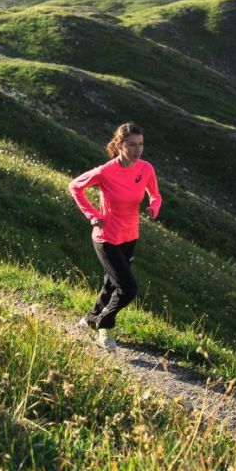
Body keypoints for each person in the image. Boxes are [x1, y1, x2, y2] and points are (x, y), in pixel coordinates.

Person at [68, 122, 161, 350]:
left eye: (140, 144)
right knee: (128, 288)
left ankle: (90, 319)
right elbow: (75, 187)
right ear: (119, 145)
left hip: (130, 237)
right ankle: (105, 324)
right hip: (106, 237)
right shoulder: (105, 172)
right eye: (131, 145)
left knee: (111, 284)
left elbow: (156, 196)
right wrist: (92, 215)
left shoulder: (145, 168)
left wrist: (153, 208)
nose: (137, 149)